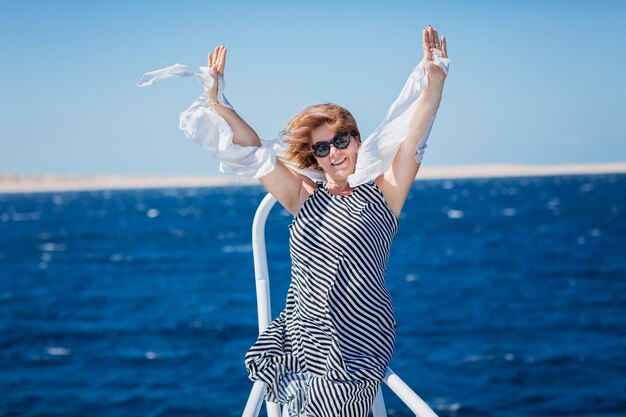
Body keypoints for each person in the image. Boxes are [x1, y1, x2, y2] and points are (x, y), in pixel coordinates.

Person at [139, 24, 449, 417]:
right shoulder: (304, 198)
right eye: (323, 147)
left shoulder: (384, 193)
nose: (334, 153)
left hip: (357, 340)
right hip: (301, 334)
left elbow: (414, 139)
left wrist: (434, 84)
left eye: (341, 140)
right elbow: (254, 150)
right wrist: (218, 103)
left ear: (356, 140)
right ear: (315, 157)